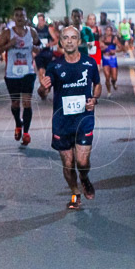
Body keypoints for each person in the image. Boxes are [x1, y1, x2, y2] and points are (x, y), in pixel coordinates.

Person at [40, 26, 102, 210]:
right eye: (65, 37)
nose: (69, 41)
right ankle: (75, 192)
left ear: (79, 42)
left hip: (84, 119)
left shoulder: (90, 63)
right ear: (60, 42)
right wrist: (43, 87)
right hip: (62, 122)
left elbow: (97, 85)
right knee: (68, 163)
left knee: (82, 162)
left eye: (73, 37)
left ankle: (84, 177)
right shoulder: (54, 66)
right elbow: (43, 93)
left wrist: (94, 98)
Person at [0, 7, 40, 146]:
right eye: (17, 15)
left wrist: (36, 49)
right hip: (12, 73)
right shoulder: (7, 33)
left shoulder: (32, 32)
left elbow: (39, 46)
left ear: (26, 17)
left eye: (22, 15)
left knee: (27, 102)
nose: (20, 17)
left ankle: (26, 133)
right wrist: (9, 44)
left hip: (28, 72)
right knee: (15, 103)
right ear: (14, 18)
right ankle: (18, 124)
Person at [100, 25, 120, 95]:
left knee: (114, 77)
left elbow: (121, 48)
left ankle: (114, 82)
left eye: (109, 30)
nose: (108, 32)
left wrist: (114, 51)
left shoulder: (114, 39)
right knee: (107, 76)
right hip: (105, 59)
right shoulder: (102, 39)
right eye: (107, 30)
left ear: (111, 32)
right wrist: (103, 48)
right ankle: (109, 92)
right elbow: (99, 48)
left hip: (113, 59)